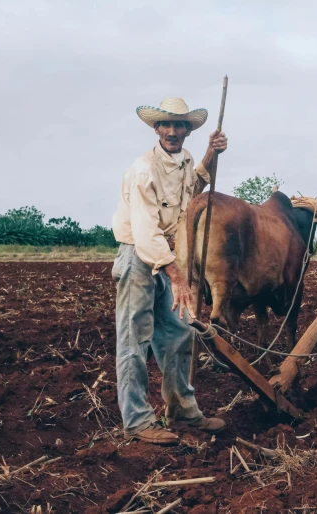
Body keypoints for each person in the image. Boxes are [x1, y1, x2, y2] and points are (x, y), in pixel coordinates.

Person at [111, 97, 228, 444]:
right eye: (167, 125)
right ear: (156, 128)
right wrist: (177, 275)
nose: (173, 131)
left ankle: (182, 410)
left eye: (180, 125)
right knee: (135, 339)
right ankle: (137, 421)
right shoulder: (143, 169)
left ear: (188, 131)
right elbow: (146, 229)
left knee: (179, 333)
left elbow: (190, 191)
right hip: (139, 257)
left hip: (167, 255)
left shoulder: (185, 159)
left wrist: (211, 154)